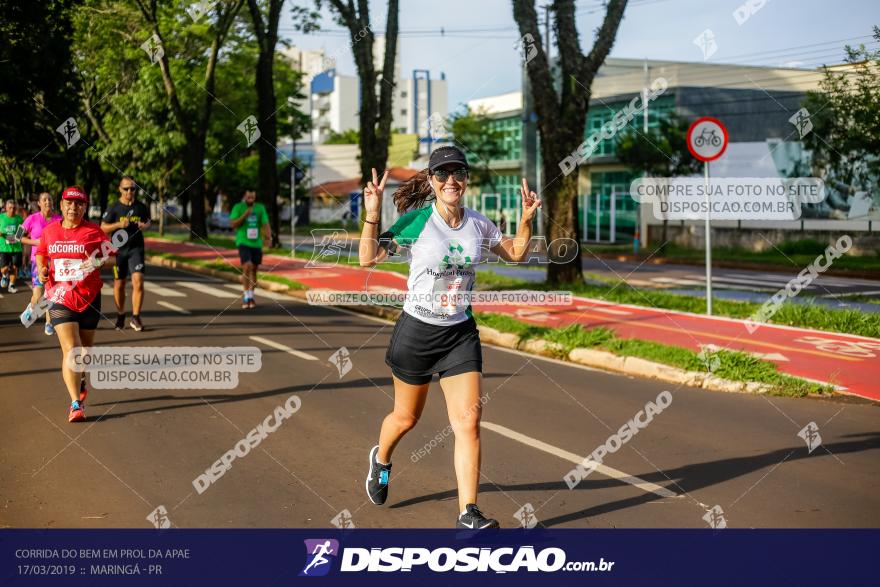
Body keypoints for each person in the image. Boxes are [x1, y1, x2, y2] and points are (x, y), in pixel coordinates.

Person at [359, 145, 541, 529]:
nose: (450, 180)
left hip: (459, 333)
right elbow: (367, 258)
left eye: (457, 172)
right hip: (417, 333)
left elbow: (517, 254)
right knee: (407, 417)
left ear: (466, 179)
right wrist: (373, 215)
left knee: (468, 422)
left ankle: (468, 512)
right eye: (442, 174)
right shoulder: (417, 223)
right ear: (431, 181)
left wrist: (526, 219)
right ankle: (382, 459)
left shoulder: (478, 223)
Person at [37, 186, 115, 422]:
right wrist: (42, 269)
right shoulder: (50, 232)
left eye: (79, 204)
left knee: (84, 352)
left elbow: (109, 257)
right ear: (62, 205)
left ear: (84, 207)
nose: (73, 207)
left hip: (89, 296)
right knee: (72, 350)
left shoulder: (94, 231)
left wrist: (98, 261)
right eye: (69, 203)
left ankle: (80, 378)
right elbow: (42, 252)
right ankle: (75, 404)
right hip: (59, 295)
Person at [101, 176, 150, 331]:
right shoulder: (113, 207)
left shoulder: (141, 207)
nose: (130, 191)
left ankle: (136, 317)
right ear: (120, 189)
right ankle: (121, 314)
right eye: (126, 188)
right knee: (119, 284)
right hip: (118, 251)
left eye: (133, 188)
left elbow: (148, 221)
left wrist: (145, 225)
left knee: (138, 281)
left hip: (136, 249)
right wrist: (119, 224)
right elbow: (102, 227)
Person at [20, 192, 62, 335]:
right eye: (44, 199)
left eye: (49, 199)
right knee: (38, 295)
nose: (47, 201)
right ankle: (31, 308)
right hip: (37, 261)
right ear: (39, 203)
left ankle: (49, 322)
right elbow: (18, 236)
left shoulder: (59, 219)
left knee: (51, 293)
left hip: (55, 262)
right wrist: (36, 242)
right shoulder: (32, 219)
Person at [229, 190, 270, 309]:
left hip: (256, 243)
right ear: (244, 197)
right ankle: (246, 295)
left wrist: (268, 237)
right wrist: (245, 215)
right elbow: (233, 224)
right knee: (247, 266)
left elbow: (265, 224)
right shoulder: (238, 207)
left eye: (253, 196)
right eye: (248, 196)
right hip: (243, 241)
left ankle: (251, 296)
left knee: (254, 270)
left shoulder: (260, 208)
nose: (251, 198)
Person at [0, 198, 24, 293]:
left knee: (15, 267)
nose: (12, 210)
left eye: (14, 208)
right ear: (6, 208)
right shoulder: (1, 217)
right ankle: (5, 275)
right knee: (3, 268)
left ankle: (12, 285)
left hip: (16, 248)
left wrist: (15, 238)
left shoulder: (19, 219)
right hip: (4, 248)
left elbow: (22, 231)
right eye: (10, 208)